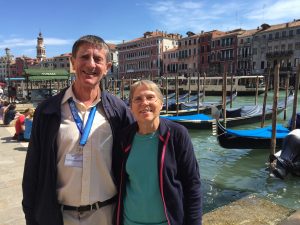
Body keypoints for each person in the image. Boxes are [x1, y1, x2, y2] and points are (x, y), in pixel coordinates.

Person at [22, 35, 134, 225]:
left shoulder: (119, 111)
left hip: (106, 215)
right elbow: (32, 167)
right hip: (58, 216)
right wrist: (31, 215)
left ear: (107, 68)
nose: (91, 65)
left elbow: (137, 157)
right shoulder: (47, 110)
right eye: (84, 57)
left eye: (98, 59)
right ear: (73, 63)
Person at [115, 80, 202, 225]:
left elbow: (192, 185)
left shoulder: (177, 135)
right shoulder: (124, 138)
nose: (144, 103)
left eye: (150, 97)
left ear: (161, 103)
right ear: (131, 107)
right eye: (138, 99)